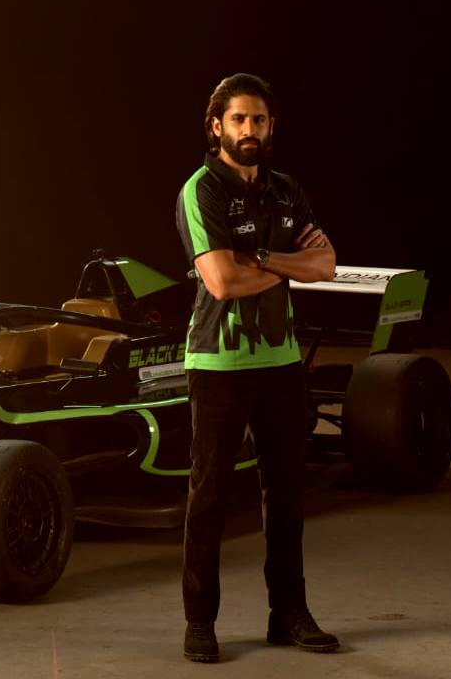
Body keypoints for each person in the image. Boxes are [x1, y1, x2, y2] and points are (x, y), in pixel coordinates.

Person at [173, 73, 339, 663]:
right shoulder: (201, 191)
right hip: (218, 362)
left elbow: (327, 264)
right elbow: (221, 281)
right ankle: (200, 622)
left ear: (272, 128)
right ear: (216, 126)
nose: (250, 129)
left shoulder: (286, 190)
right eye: (239, 119)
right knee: (210, 496)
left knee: (287, 494)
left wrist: (262, 258)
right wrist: (290, 263)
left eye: (259, 120)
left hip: (281, 360)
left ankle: (288, 614)